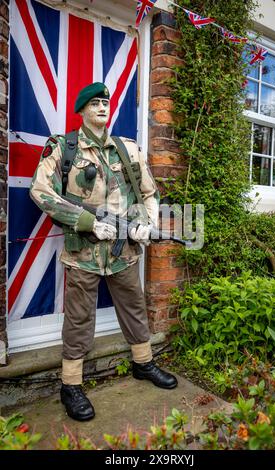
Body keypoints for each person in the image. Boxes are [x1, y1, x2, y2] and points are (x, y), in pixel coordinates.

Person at [30, 82, 177, 422]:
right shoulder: (63, 147)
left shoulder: (127, 149)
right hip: (83, 252)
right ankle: (71, 386)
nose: (101, 107)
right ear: (81, 110)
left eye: (105, 102)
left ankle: (143, 363)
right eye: (94, 103)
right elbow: (40, 192)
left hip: (123, 250)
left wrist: (145, 223)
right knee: (80, 319)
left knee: (134, 306)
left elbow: (149, 193)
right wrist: (86, 221)